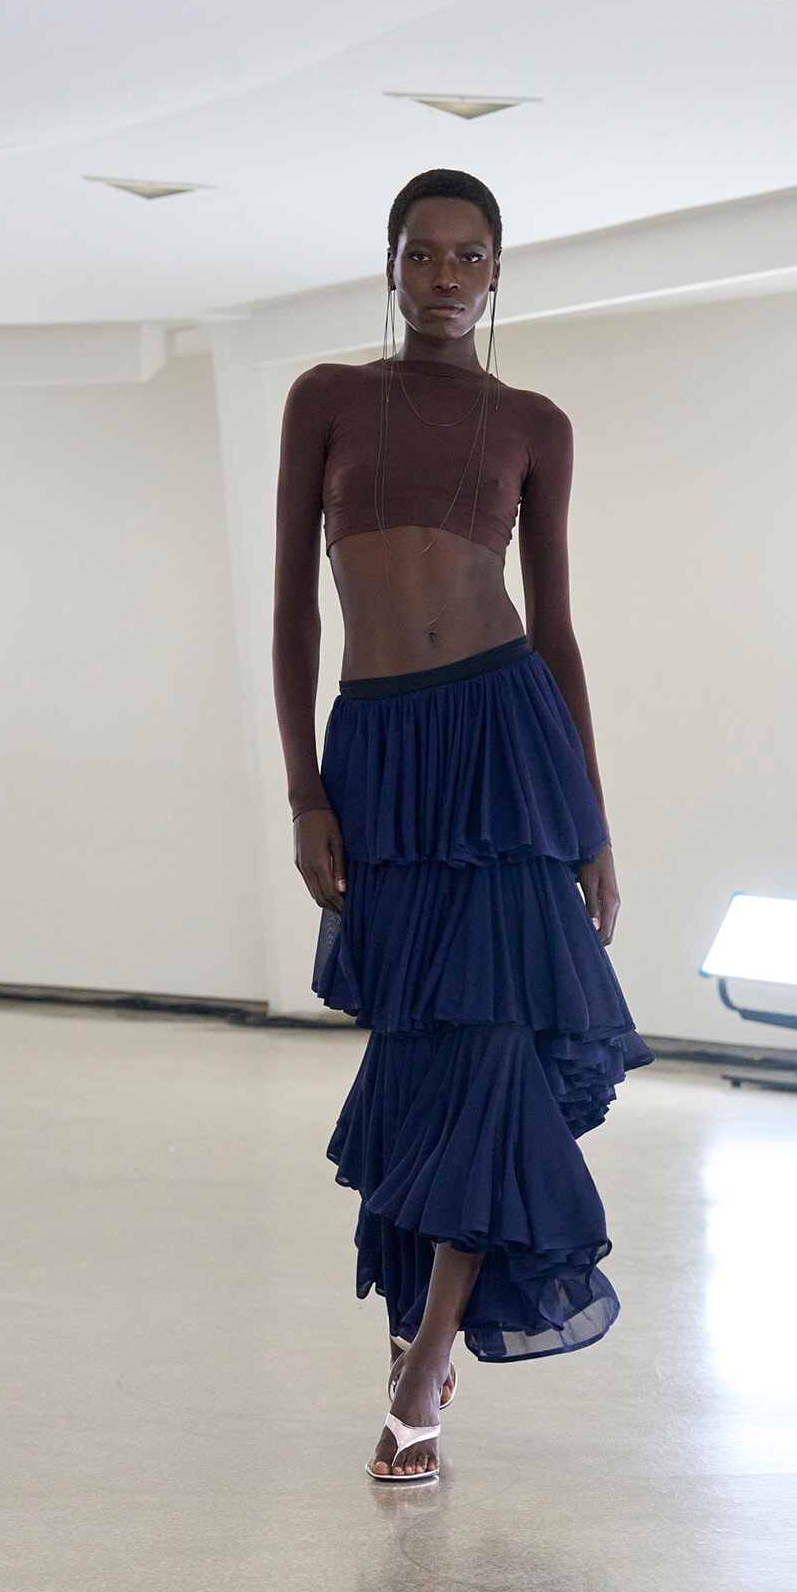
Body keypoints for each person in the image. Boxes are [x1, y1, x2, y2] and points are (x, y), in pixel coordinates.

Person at [272, 167, 653, 1483]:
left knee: (494, 1046)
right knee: (422, 1050)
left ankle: (427, 1362)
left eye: (470, 257)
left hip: (503, 748)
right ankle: (409, 1321)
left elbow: (555, 627)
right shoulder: (325, 398)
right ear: (390, 264)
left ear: (498, 273)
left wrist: (589, 823)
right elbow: (292, 614)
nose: (446, 278)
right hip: (380, 751)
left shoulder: (532, 421)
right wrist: (305, 790)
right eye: (424, 255)